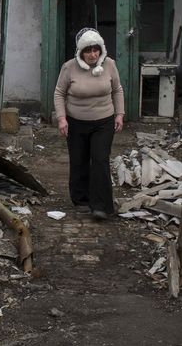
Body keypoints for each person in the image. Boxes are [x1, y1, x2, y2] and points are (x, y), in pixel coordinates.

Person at [54, 28, 124, 220]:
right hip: (76, 122)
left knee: (100, 160)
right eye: (88, 50)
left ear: (101, 50)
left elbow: (117, 89)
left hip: (104, 121)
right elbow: (59, 92)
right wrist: (62, 118)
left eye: (96, 50)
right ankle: (81, 200)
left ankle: (101, 206)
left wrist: (120, 114)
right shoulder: (69, 67)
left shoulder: (109, 65)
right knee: (79, 160)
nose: (93, 55)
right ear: (81, 52)